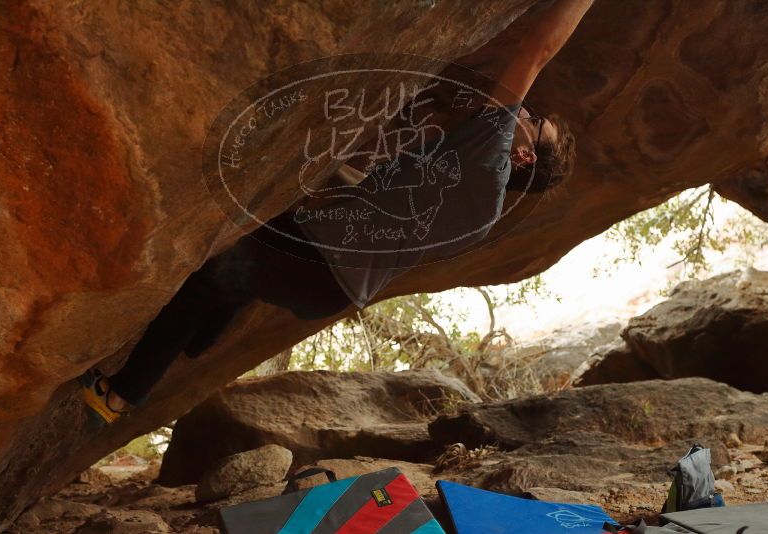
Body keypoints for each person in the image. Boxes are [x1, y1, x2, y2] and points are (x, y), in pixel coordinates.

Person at [80, 0, 591, 424]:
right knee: (245, 268)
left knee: (205, 282)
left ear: (523, 154)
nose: (526, 112)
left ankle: (120, 397)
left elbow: (536, 49)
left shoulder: (488, 151)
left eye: (535, 122)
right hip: (329, 278)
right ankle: (203, 340)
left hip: (315, 260)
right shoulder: (486, 207)